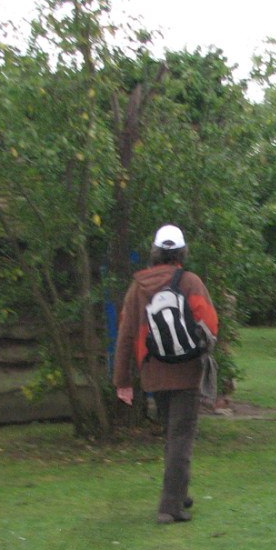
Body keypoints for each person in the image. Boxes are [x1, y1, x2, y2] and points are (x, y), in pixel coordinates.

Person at [113, 224, 219, 524]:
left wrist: (122, 381)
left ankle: (177, 492)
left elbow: (125, 335)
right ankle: (170, 507)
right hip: (186, 372)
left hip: (153, 373)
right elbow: (210, 324)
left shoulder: (138, 287)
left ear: (155, 252)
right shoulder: (190, 282)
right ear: (182, 252)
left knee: (173, 436)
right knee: (181, 438)